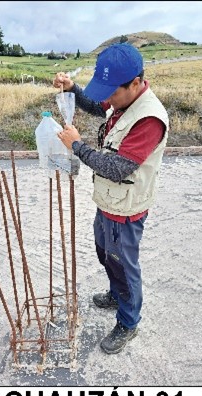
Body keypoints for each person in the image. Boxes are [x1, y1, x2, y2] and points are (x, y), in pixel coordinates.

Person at [52, 44, 170, 355]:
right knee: (105, 253)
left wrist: (78, 146)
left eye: (112, 91)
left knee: (124, 265)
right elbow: (97, 105)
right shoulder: (122, 99)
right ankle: (117, 294)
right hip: (108, 201)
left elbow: (117, 168)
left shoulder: (149, 119)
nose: (108, 98)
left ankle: (128, 322)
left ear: (135, 83)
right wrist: (73, 89)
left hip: (126, 207)